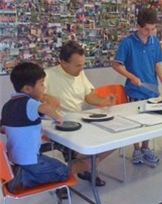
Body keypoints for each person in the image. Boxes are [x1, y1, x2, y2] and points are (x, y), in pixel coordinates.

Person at [44, 40, 115, 187]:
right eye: (78, 65)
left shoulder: (80, 74)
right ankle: (81, 168)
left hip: (79, 122)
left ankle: (73, 169)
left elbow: (89, 96)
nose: (82, 68)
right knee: (89, 148)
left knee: (113, 140)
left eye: (83, 64)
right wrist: (45, 98)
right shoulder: (47, 76)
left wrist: (103, 101)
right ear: (63, 62)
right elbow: (32, 98)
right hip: (58, 125)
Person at [1, 62, 69, 192]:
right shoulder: (29, 103)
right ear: (27, 89)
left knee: (53, 162)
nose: (44, 88)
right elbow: (48, 107)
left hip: (14, 159)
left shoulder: (7, 106)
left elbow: (5, 129)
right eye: (42, 84)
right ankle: (23, 178)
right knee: (63, 171)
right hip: (30, 160)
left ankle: (19, 172)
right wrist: (58, 118)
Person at [112, 8, 162, 165]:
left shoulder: (154, 42)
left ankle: (146, 148)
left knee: (150, 120)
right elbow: (116, 65)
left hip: (152, 89)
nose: (149, 32)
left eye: (152, 29)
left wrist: (161, 77)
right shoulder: (128, 42)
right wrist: (132, 77)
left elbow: (156, 62)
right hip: (134, 89)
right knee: (136, 121)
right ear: (139, 26)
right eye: (146, 29)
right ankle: (136, 149)